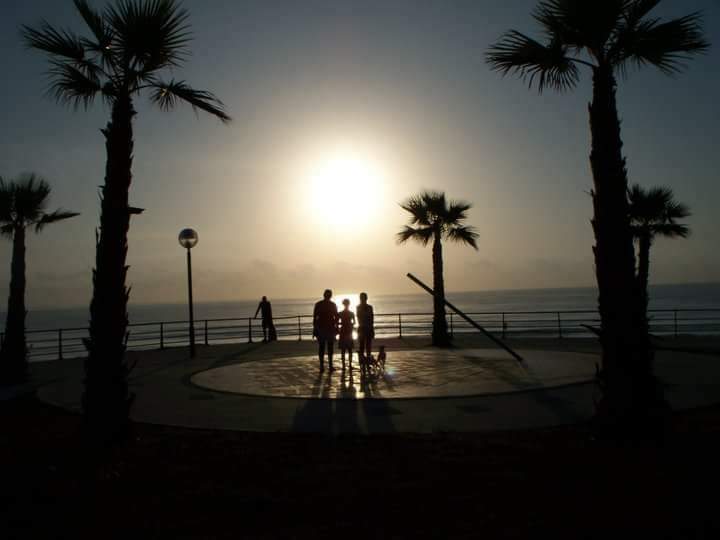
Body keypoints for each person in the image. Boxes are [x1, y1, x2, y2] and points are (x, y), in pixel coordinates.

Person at [313, 289, 338, 372]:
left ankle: (323, 366)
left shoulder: (319, 304)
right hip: (326, 328)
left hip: (324, 328)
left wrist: (315, 328)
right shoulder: (332, 305)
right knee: (327, 347)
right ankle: (328, 366)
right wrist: (336, 327)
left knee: (322, 347)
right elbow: (336, 317)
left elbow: (315, 318)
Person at [356, 292, 374, 368]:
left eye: (364, 298)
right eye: (362, 298)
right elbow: (359, 317)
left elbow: (372, 318)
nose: (363, 299)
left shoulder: (369, 307)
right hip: (362, 328)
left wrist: (371, 328)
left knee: (368, 345)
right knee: (362, 346)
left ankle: (368, 361)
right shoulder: (359, 307)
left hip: (367, 327)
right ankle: (362, 362)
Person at [338, 298, 356, 371]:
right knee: (348, 349)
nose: (346, 305)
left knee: (345, 350)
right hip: (347, 331)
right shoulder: (351, 313)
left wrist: (342, 324)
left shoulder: (341, 313)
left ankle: (345, 365)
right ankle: (348, 365)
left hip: (345, 331)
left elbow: (337, 322)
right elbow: (354, 322)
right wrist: (349, 324)